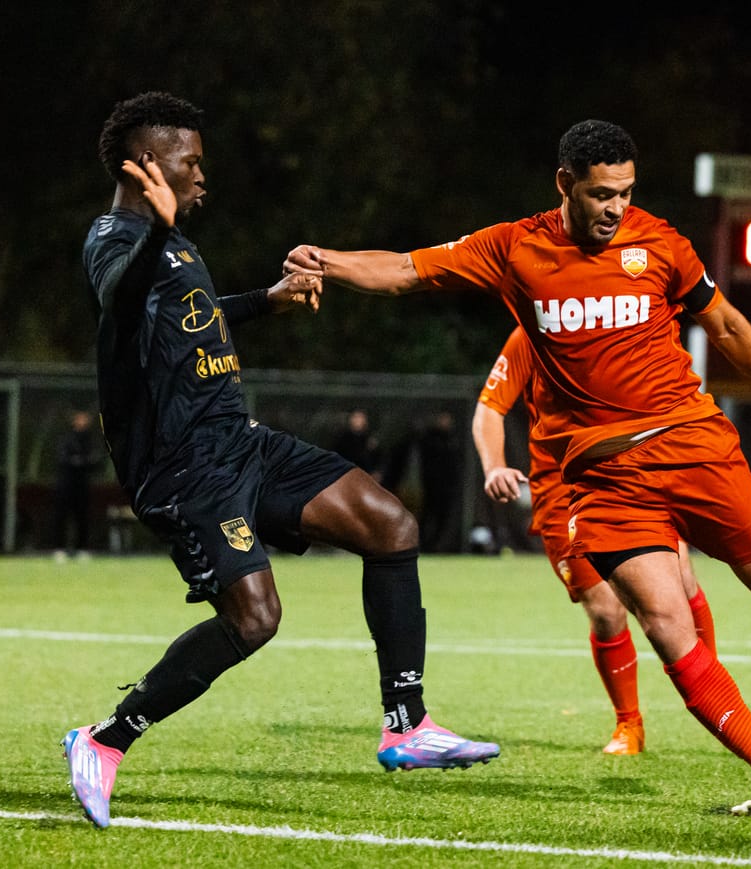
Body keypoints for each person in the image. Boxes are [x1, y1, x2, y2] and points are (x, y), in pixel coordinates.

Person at [286, 119, 751, 817]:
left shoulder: (661, 243)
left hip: (689, 441)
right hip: (605, 479)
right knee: (662, 620)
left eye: (624, 192)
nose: (615, 208)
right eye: (600, 194)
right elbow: (407, 269)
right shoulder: (515, 248)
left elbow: (727, 326)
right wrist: (329, 261)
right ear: (565, 184)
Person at [65, 92, 498, 830]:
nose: (202, 175)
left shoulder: (170, 245)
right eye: (189, 161)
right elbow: (121, 296)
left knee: (390, 523)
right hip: (181, 468)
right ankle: (106, 738)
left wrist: (269, 299)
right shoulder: (115, 239)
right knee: (255, 618)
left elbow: (191, 315)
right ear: (146, 165)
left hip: (240, 441)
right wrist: (158, 226)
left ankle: (407, 724)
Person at [473, 327, 716, 755]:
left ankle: (715, 695)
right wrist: (494, 466)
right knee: (606, 610)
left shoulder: (628, 317)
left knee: (682, 579)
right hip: (562, 495)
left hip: (632, 479)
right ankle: (629, 725)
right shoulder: (535, 329)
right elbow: (489, 409)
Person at [52, 410, 103, 561]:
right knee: (62, 517)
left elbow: (96, 461)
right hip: (65, 485)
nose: (82, 422)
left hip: (83, 486)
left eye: (85, 419)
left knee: (82, 517)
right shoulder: (66, 439)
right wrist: (80, 462)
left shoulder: (91, 441)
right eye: (79, 419)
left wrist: (81, 462)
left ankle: (82, 548)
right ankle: (60, 548)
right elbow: (63, 460)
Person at [415, 410, 464, 553]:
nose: (445, 422)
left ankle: (435, 546)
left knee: (443, 518)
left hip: (447, 487)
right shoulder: (429, 439)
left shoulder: (453, 439)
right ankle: (423, 545)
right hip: (431, 486)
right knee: (427, 516)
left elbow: (455, 464)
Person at [331, 409, 383, 481]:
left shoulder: (370, 439)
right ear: (350, 420)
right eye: (355, 417)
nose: (358, 421)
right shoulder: (342, 439)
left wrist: (376, 472)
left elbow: (378, 459)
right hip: (346, 476)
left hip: (366, 478)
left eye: (361, 418)